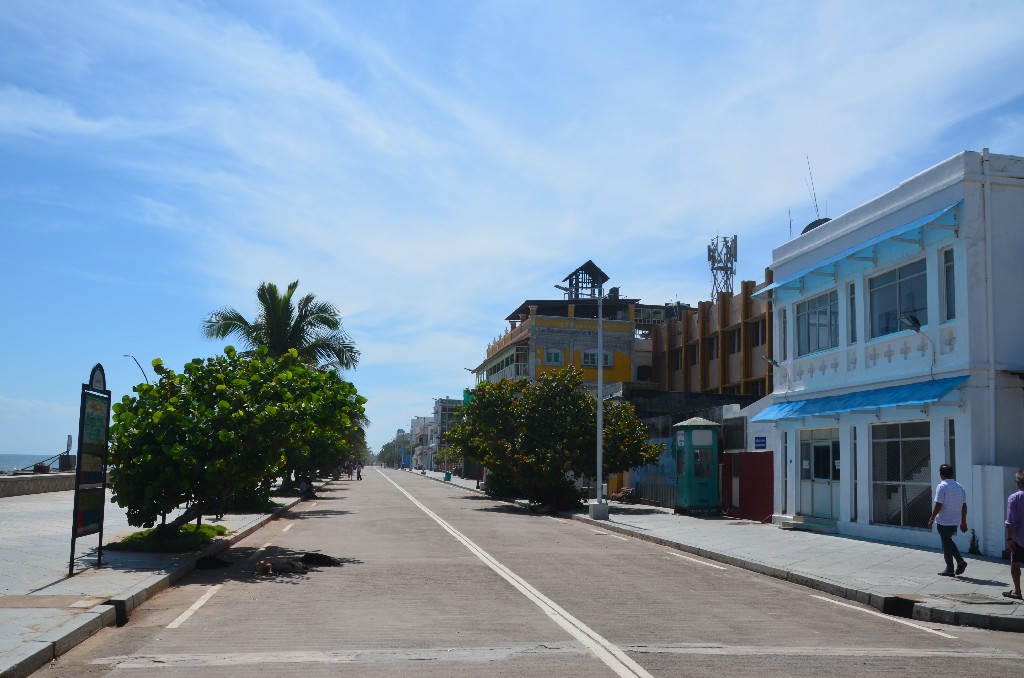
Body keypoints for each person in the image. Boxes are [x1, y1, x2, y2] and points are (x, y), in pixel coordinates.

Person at [929, 463, 968, 577]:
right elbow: (964, 505)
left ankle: (950, 569)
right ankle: (960, 562)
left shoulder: (942, 486)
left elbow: (938, 505)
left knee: (946, 544)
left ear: (941, 474)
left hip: (944, 520)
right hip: (955, 520)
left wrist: (931, 519)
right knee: (948, 541)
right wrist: (963, 521)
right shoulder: (960, 486)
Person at [1005, 469, 1024, 600]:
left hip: (1018, 538)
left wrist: (1009, 538)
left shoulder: (1014, 498)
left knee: (1015, 564)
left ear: (1018, 483)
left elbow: (1010, 521)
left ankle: (1017, 591)